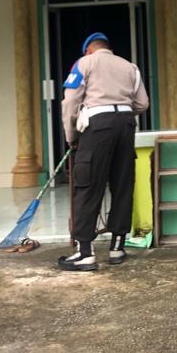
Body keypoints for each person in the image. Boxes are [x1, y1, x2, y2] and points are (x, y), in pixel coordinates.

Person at [58, 31, 149, 272]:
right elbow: (143, 104)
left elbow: (70, 102)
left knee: (87, 184)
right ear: (108, 48)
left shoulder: (84, 63)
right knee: (122, 184)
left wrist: (71, 136)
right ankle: (117, 247)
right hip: (127, 124)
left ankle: (85, 253)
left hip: (98, 125)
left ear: (89, 50)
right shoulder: (130, 66)